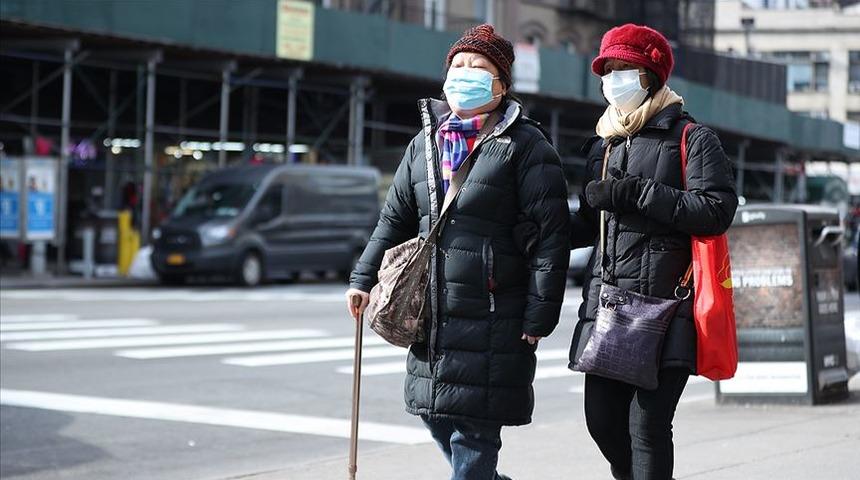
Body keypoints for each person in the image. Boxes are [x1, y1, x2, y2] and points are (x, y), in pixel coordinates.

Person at [345, 24, 570, 480]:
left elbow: (552, 237)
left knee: (474, 433)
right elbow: (394, 220)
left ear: (502, 84)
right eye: (458, 66)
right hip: (433, 312)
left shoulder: (526, 146)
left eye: (479, 67)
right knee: (435, 412)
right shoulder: (424, 144)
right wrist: (362, 279)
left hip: (494, 312)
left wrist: (539, 316)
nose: (464, 74)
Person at [567, 24, 739, 480]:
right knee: (601, 422)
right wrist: (531, 230)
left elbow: (715, 210)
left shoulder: (693, 138)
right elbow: (590, 222)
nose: (614, 78)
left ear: (652, 75)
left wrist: (636, 193)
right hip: (607, 305)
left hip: (667, 308)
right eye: (609, 69)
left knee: (647, 428)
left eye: (626, 68)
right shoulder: (603, 142)